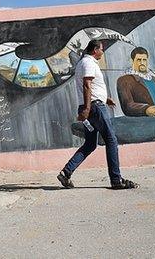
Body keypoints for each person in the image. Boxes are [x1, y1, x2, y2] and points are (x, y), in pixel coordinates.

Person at [57, 39, 135, 190]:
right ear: (95, 50)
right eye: (101, 49)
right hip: (95, 108)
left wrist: (105, 99)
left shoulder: (84, 63)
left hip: (93, 106)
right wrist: (87, 109)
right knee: (111, 140)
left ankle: (66, 172)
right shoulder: (88, 63)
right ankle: (116, 179)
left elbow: (90, 87)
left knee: (90, 144)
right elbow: (87, 85)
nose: (102, 52)